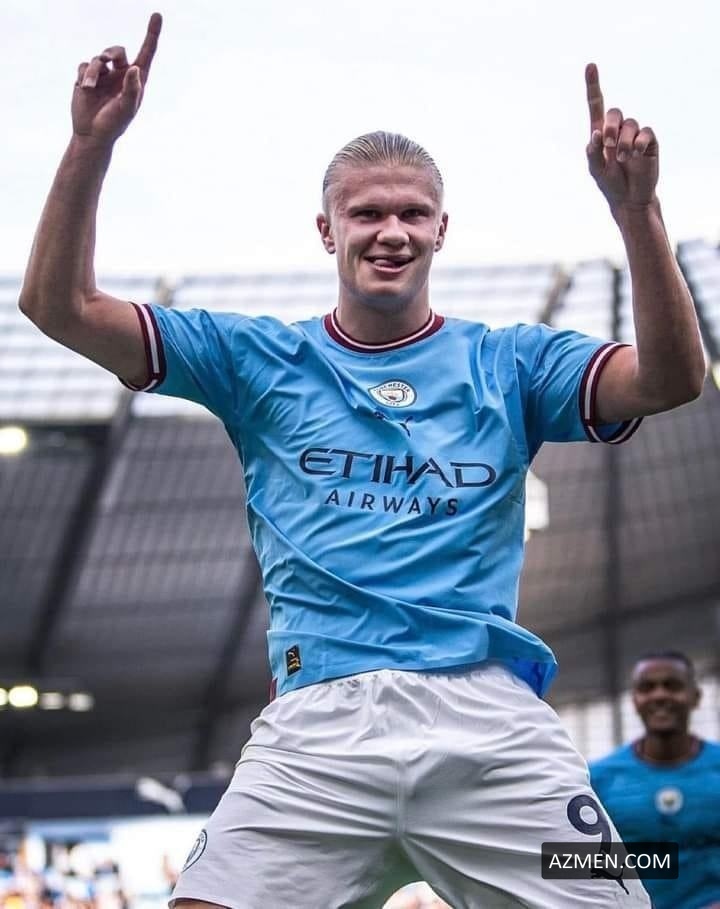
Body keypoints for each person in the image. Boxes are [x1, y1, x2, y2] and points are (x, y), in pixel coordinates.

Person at [19, 12, 705, 909]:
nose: (391, 230)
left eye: (412, 212)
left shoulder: (512, 363)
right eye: (368, 212)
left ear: (442, 229)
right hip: (317, 733)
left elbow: (670, 379)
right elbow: (59, 306)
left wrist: (637, 211)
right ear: (326, 228)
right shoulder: (257, 359)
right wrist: (89, 145)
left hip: (491, 731)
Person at [590, 652, 720, 909]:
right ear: (635, 700)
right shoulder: (598, 778)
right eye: (647, 688)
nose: (659, 695)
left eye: (672, 685)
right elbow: (566, 861)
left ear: (695, 696)